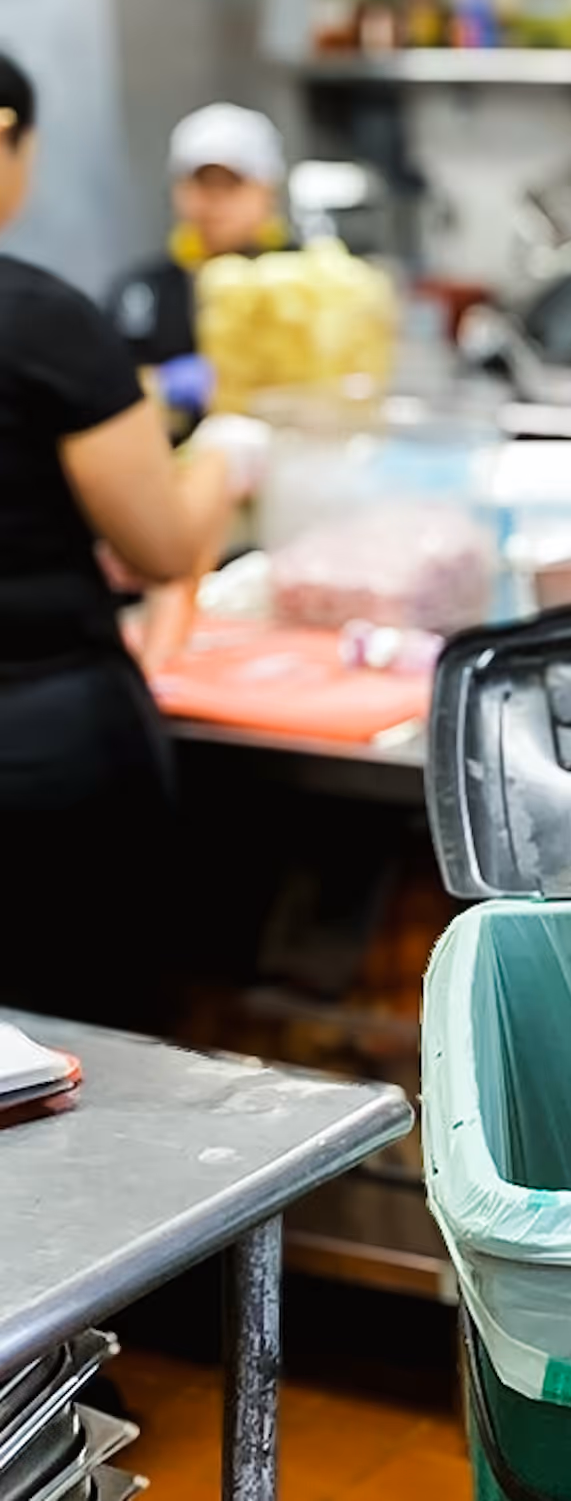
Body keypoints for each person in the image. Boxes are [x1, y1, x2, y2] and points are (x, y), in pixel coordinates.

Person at [0, 55, 266, 1031]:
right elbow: (159, 549)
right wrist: (220, 462)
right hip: (42, 754)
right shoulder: (41, 319)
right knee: (86, 1047)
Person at [104, 102, 290, 436]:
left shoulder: (303, 283)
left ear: (267, 191)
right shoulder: (144, 289)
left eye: (231, 184)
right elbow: (101, 390)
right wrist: (161, 387)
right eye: (201, 184)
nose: (213, 202)